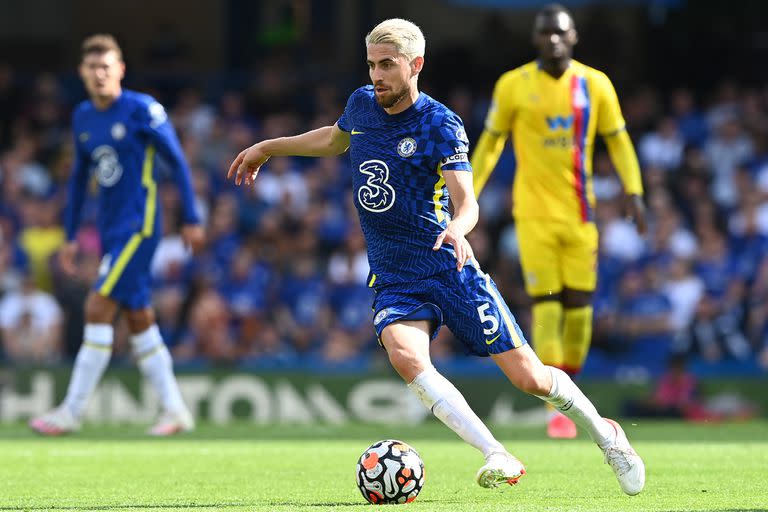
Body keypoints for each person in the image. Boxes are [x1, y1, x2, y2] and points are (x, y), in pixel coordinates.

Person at [228, 18, 644, 495]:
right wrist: (267, 147)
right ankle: (497, 453)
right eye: (371, 65)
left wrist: (457, 227)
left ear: (416, 65)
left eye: (387, 65)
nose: (376, 76)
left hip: (450, 269)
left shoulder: (440, 123)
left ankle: (607, 435)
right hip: (395, 277)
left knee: (530, 378)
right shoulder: (362, 104)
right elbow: (333, 138)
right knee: (405, 355)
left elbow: (467, 201)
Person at [470, 4, 647, 439]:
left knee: (581, 310)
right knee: (547, 304)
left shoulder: (594, 84)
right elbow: (491, 144)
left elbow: (618, 140)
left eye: (560, 33)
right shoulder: (513, 85)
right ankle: (558, 409)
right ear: (535, 39)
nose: (552, 39)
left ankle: (569, 390)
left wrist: (634, 190)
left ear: (574, 38)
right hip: (532, 217)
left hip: (580, 215)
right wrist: (466, 195)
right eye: (545, 33)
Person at [30, 34, 204, 436]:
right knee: (139, 318)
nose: (99, 74)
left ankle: (71, 411)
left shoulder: (143, 110)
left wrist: (191, 216)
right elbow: (77, 179)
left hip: (140, 226)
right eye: (92, 68)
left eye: (106, 67)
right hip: (110, 230)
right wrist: (71, 234)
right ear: (82, 74)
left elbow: (176, 161)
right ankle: (176, 410)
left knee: (97, 305)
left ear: (120, 70)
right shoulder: (83, 116)